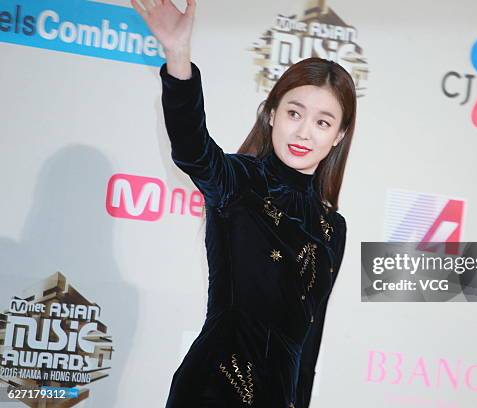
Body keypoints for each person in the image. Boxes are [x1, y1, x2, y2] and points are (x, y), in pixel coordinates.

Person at [131, 0, 356, 406]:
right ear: (271, 114)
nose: (304, 131)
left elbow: (309, 342)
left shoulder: (332, 228)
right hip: (213, 387)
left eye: (323, 122)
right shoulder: (240, 181)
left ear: (338, 136)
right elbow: (191, 149)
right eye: (294, 112)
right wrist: (178, 56)